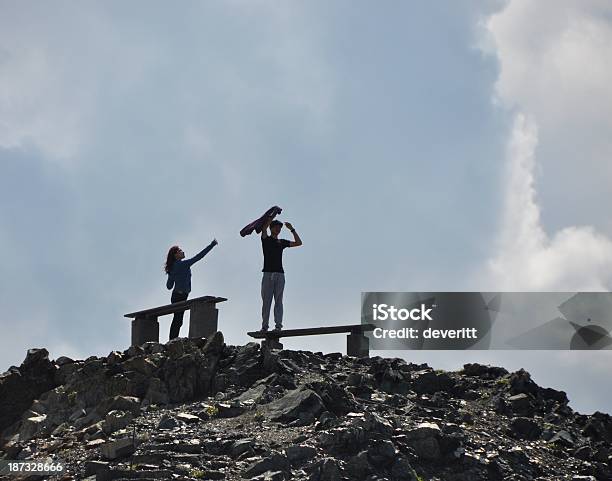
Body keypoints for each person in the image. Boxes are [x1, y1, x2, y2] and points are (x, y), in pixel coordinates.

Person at [164, 238, 218, 339]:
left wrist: (172, 274)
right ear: (175, 255)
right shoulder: (182, 264)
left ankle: (172, 340)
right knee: (178, 320)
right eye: (180, 251)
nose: (182, 252)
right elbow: (198, 257)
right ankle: (172, 340)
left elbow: (169, 286)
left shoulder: (174, 267)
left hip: (178, 295)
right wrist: (211, 245)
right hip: (180, 296)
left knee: (178, 320)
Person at [260, 218, 302, 331]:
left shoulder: (281, 242)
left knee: (278, 301)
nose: (278, 229)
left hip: (280, 274)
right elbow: (263, 229)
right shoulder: (266, 239)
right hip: (268, 274)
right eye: (276, 227)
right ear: (271, 228)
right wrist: (271, 217)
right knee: (266, 301)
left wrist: (292, 229)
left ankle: (278, 326)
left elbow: (299, 243)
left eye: (279, 227)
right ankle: (264, 326)